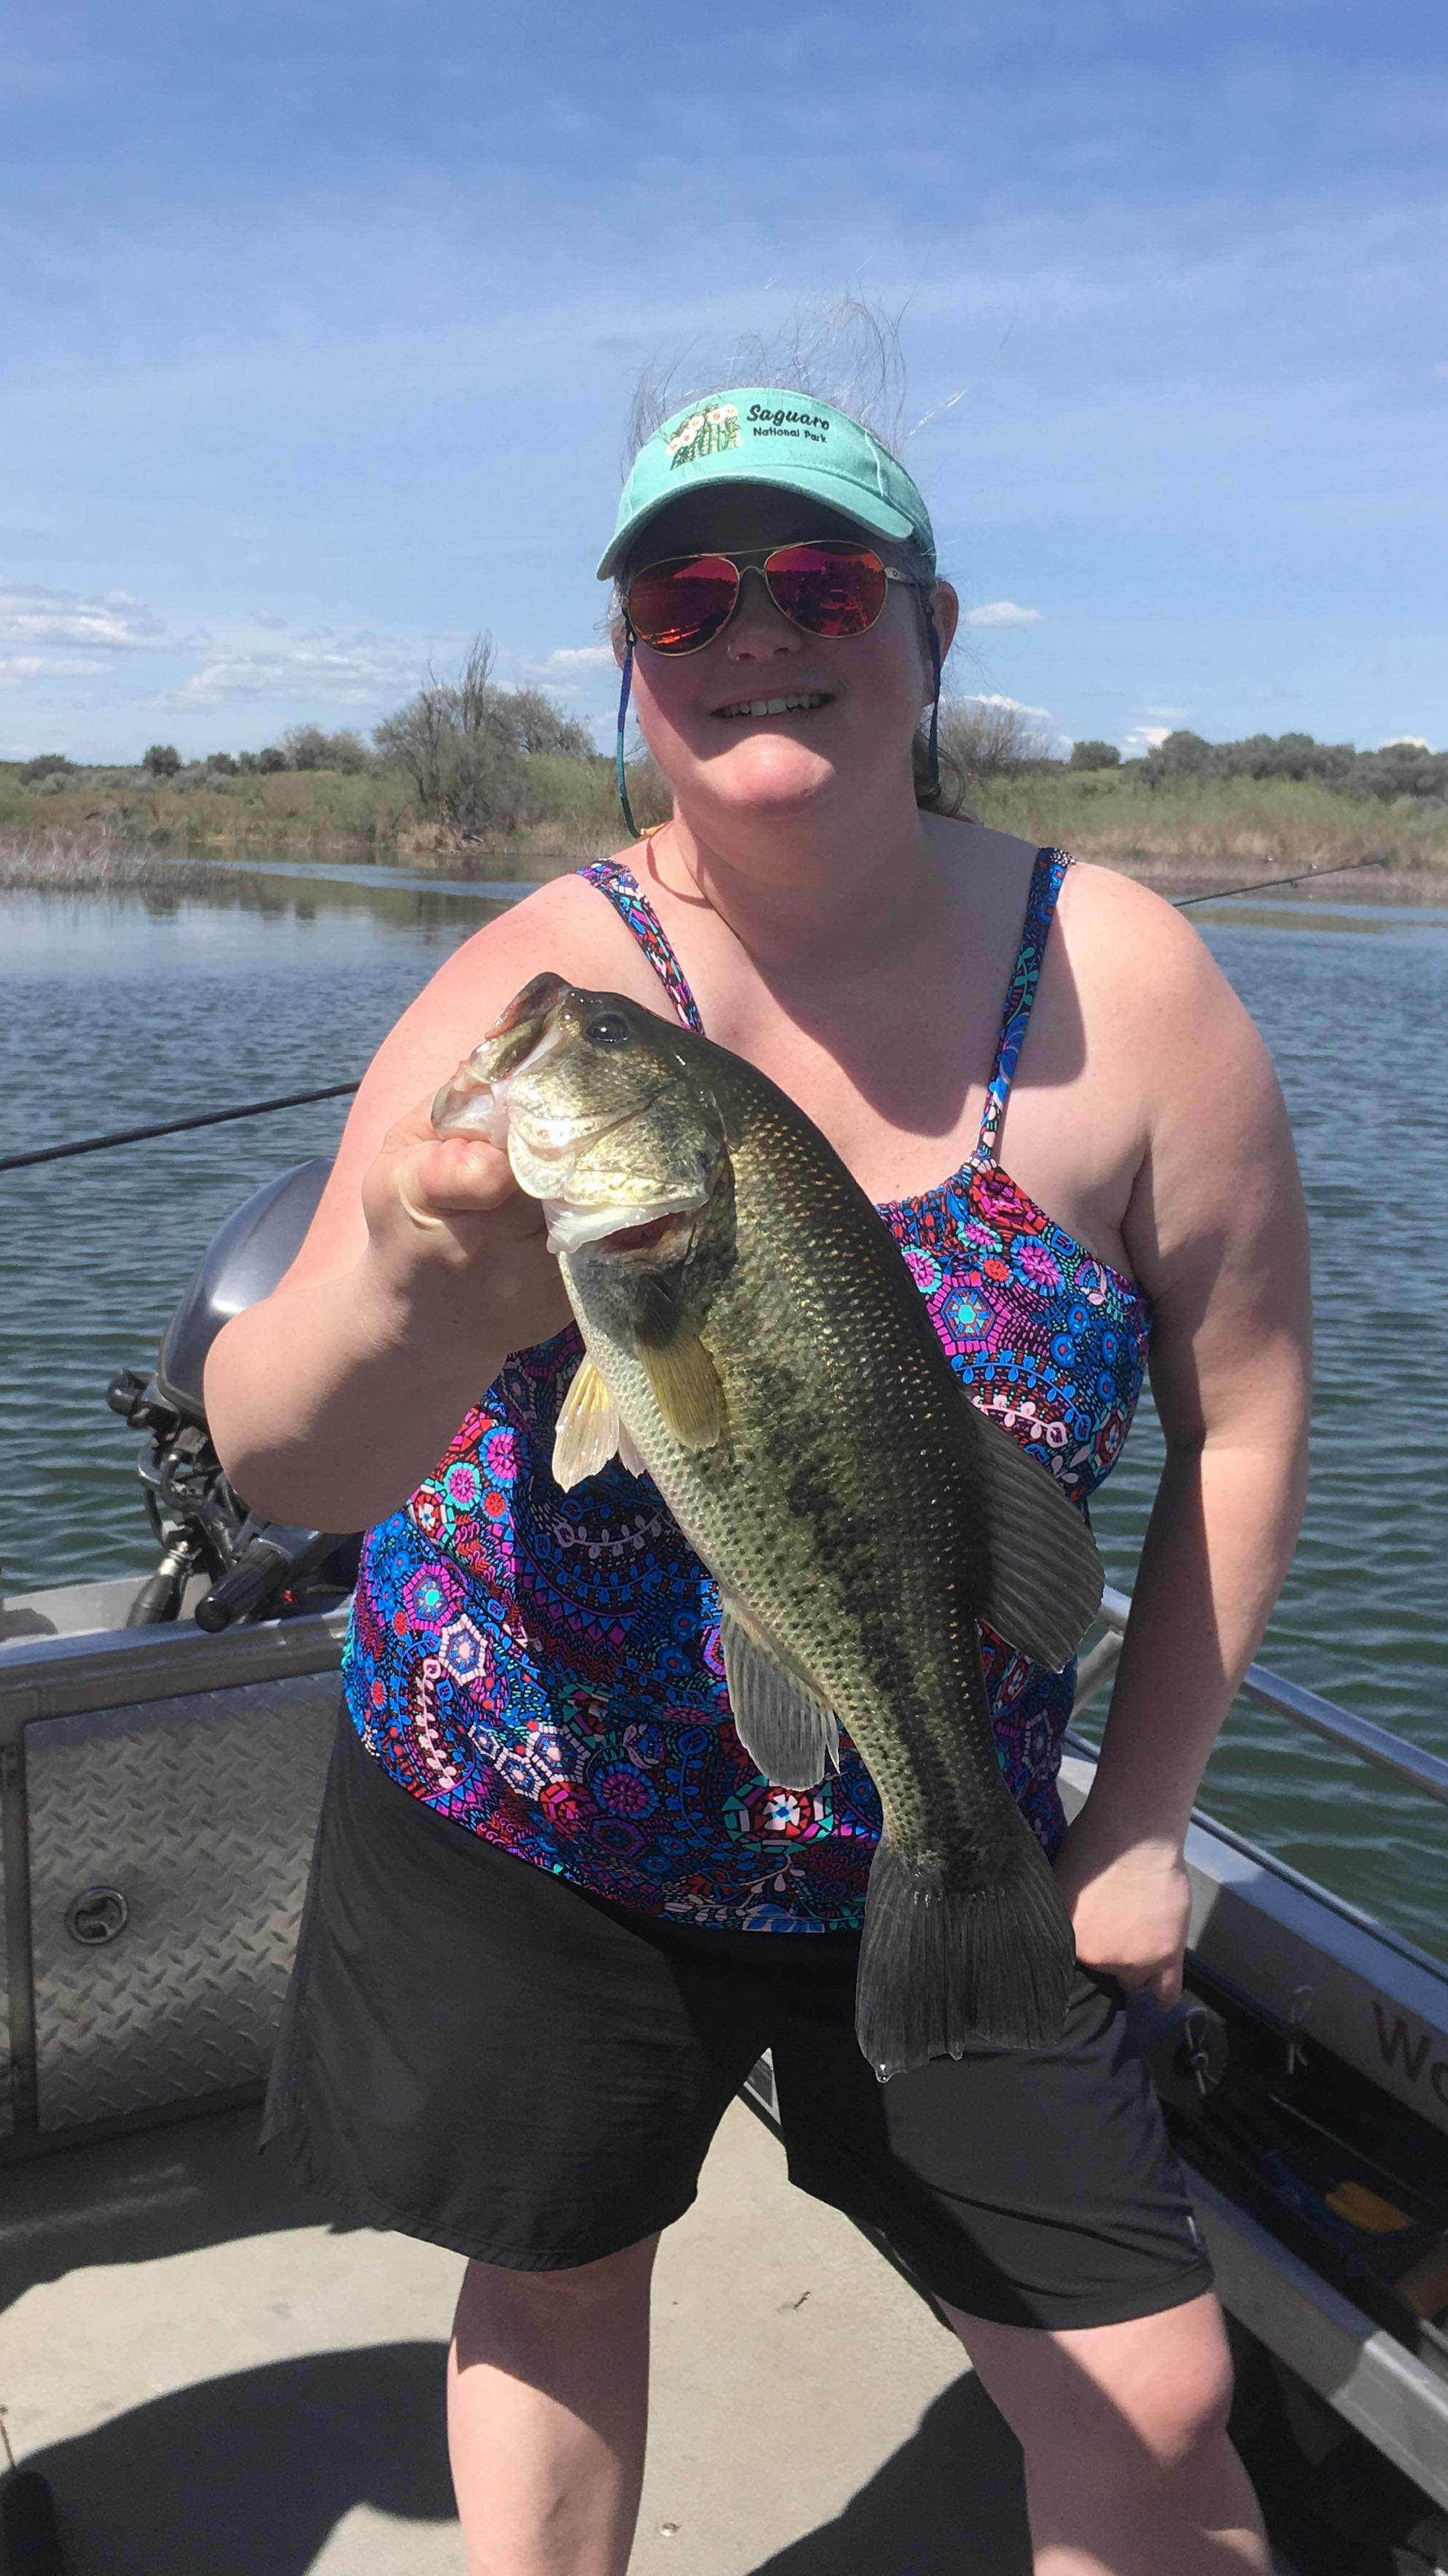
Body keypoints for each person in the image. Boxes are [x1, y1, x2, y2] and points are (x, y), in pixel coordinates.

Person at [206, 381, 1312, 2576]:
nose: (751, 631)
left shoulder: (1133, 991)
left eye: (819, 581)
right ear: (630, 659)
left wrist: (1141, 1825)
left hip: (957, 1819)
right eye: (681, 596)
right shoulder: (536, 989)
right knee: (552, 2280)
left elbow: (1247, 1418)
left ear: (929, 629)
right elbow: (281, 1456)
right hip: (532, 1820)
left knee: (1162, 2396)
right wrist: (426, 1295)